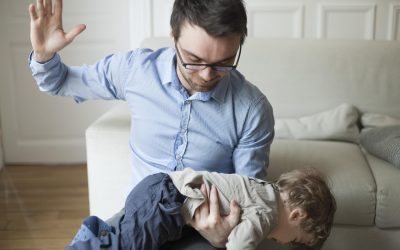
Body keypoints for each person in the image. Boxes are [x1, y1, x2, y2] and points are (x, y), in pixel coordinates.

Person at [28, 0, 274, 247]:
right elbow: (59, 82)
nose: (207, 75)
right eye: (193, 59)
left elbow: (251, 197)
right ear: (173, 36)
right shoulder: (136, 70)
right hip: (138, 218)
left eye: (223, 63)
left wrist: (223, 236)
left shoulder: (253, 110)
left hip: (203, 232)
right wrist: (44, 55)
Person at [66, 168, 336, 250]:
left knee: (131, 241)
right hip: (166, 200)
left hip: (162, 197)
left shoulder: (263, 191)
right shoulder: (267, 212)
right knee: (129, 247)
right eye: (298, 240)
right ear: (298, 215)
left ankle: (98, 233)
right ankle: (86, 241)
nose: (288, 244)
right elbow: (240, 244)